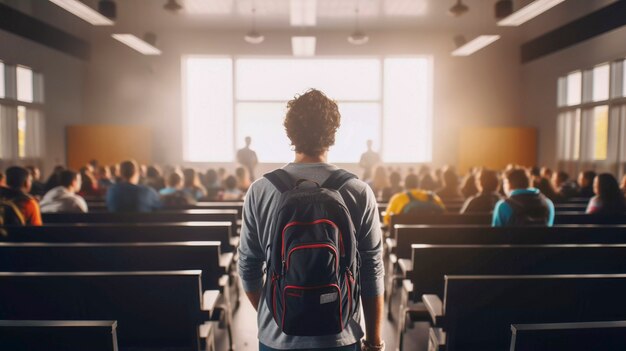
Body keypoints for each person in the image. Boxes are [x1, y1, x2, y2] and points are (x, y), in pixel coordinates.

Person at [238, 89, 384, 351]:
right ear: (333, 134)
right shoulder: (359, 191)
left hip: (277, 339)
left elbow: (248, 268)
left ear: (290, 134)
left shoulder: (260, 190)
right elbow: (372, 270)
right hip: (341, 335)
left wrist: (280, 310)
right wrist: (374, 342)